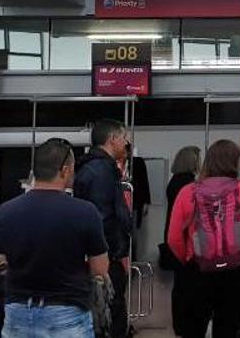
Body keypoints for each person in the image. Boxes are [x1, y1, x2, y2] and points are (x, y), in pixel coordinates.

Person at [0, 139, 109, 338]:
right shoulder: (85, 212)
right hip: (66, 313)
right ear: (65, 170)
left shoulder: (6, 211)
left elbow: (2, 260)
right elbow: (99, 269)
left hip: (17, 313)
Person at [166, 139, 240, 338]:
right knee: (229, 328)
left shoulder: (188, 191)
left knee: (193, 328)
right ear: (235, 162)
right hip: (237, 272)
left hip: (198, 271)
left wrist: (188, 260)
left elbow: (173, 238)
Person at [75, 119, 134, 338]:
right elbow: (103, 217)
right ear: (112, 139)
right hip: (105, 256)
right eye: (123, 138)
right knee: (110, 308)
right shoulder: (102, 171)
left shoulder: (91, 167)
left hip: (98, 253)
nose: (126, 143)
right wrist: (108, 253)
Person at [165, 145, 201, 336]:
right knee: (186, 285)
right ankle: (185, 323)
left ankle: (179, 323)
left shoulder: (174, 181)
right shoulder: (188, 185)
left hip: (173, 234)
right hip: (184, 237)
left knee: (179, 284)